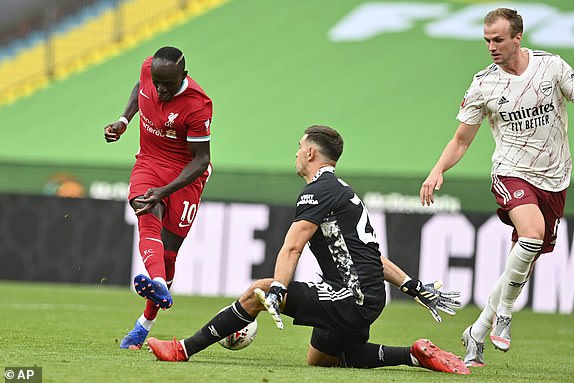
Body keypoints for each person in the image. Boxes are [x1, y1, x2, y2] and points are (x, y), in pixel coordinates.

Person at [146, 125, 469, 375]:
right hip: (365, 295)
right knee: (326, 360)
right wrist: (411, 285)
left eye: (299, 147)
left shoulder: (318, 191)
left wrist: (278, 288)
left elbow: (293, 247)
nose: (296, 153)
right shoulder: (342, 191)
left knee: (257, 291)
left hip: (351, 295)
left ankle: (182, 349)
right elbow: (369, 255)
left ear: (312, 153)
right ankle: (414, 354)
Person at [419, 8, 574, 367]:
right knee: (532, 234)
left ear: (517, 38)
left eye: (498, 39)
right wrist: (437, 170)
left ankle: (477, 330)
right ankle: (504, 314)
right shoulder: (483, 84)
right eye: (487, 40)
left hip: (555, 177)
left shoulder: (551, 67)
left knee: (524, 257)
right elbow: (461, 139)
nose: (491, 46)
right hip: (511, 173)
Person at [104, 46, 213, 350]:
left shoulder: (198, 105)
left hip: (185, 174)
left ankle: (145, 323)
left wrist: (165, 191)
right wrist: (123, 121)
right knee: (145, 211)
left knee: (169, 255)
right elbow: (141, 87)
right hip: (149, 162)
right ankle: (160, 286)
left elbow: (201, 160)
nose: (161, 89)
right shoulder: (148, 71)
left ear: (184, 76)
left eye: (168, 84)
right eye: (158, 82)